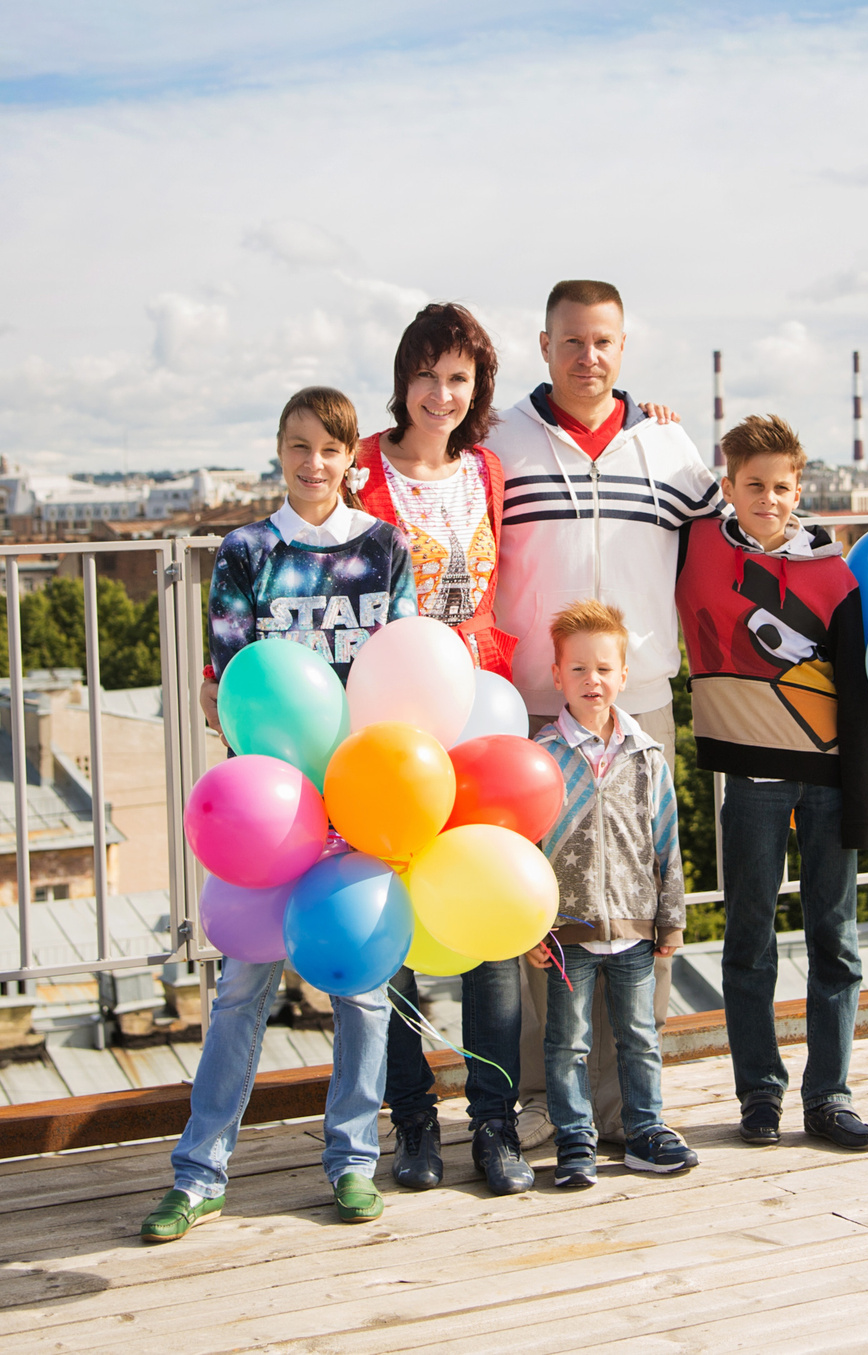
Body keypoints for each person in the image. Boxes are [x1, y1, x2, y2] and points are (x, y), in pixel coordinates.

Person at [140, 386, 417, 1243]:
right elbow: (233, 684)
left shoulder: (385, 547)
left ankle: (352, 1159)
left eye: (330, 449)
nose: (313, 463)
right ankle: (199, 1171)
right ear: (279, 450)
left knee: (363, 989)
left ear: (351, 458)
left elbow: (405, 672)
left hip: (360, 797)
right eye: (299, 445)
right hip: (270, 804)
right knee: (241, 988)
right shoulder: (247, 551)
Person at [484, 278, 719, 1138]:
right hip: (531, 713)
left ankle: (631, 1109)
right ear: (544, 346)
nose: (590, 357)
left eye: (604, 341)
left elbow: (730, 539)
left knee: (641, 908)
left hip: (639, 707)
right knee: (537, 909)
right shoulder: (499, 440)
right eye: (573, 341)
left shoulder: (664, 441)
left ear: (625, 348)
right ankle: (551, 1104)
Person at [354, 303, 534, 1197]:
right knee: (389, 930)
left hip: (481, 717)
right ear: (403, 380)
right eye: (426, 374)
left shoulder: (488, 469)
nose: (441, 393)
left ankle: (495, 1124)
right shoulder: (361, 468)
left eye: (458, 377)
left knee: (491, 919)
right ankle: (413, 1120)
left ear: (478, 388)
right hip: (388, 725)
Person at [676, 413, 868, 1152]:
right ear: (728, 487)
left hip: (828, 777)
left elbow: (856, 692)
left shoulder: (835, 573)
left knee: (837, 940)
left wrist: (863, 802)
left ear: (801, 490)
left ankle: (829, 1097)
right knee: (748, 940)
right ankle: (759, 1094)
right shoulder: (697, 545)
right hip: (752, 778)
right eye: (753, 485)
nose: (768, 499)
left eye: (782, 487)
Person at [529, 599, 694, 1188]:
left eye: (603, 669)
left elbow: (666, 839)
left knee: (640, 1037)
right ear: (557, 676)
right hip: (565, 931)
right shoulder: (542, 757)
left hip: (634, 927)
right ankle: (575, 1139)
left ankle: (645, 1129)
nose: (591, 680)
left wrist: (670, 919)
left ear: (624, 675)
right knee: (567, 1042)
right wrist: (530, 929)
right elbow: (525, 851)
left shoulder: (646, 755)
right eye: (578, 669)